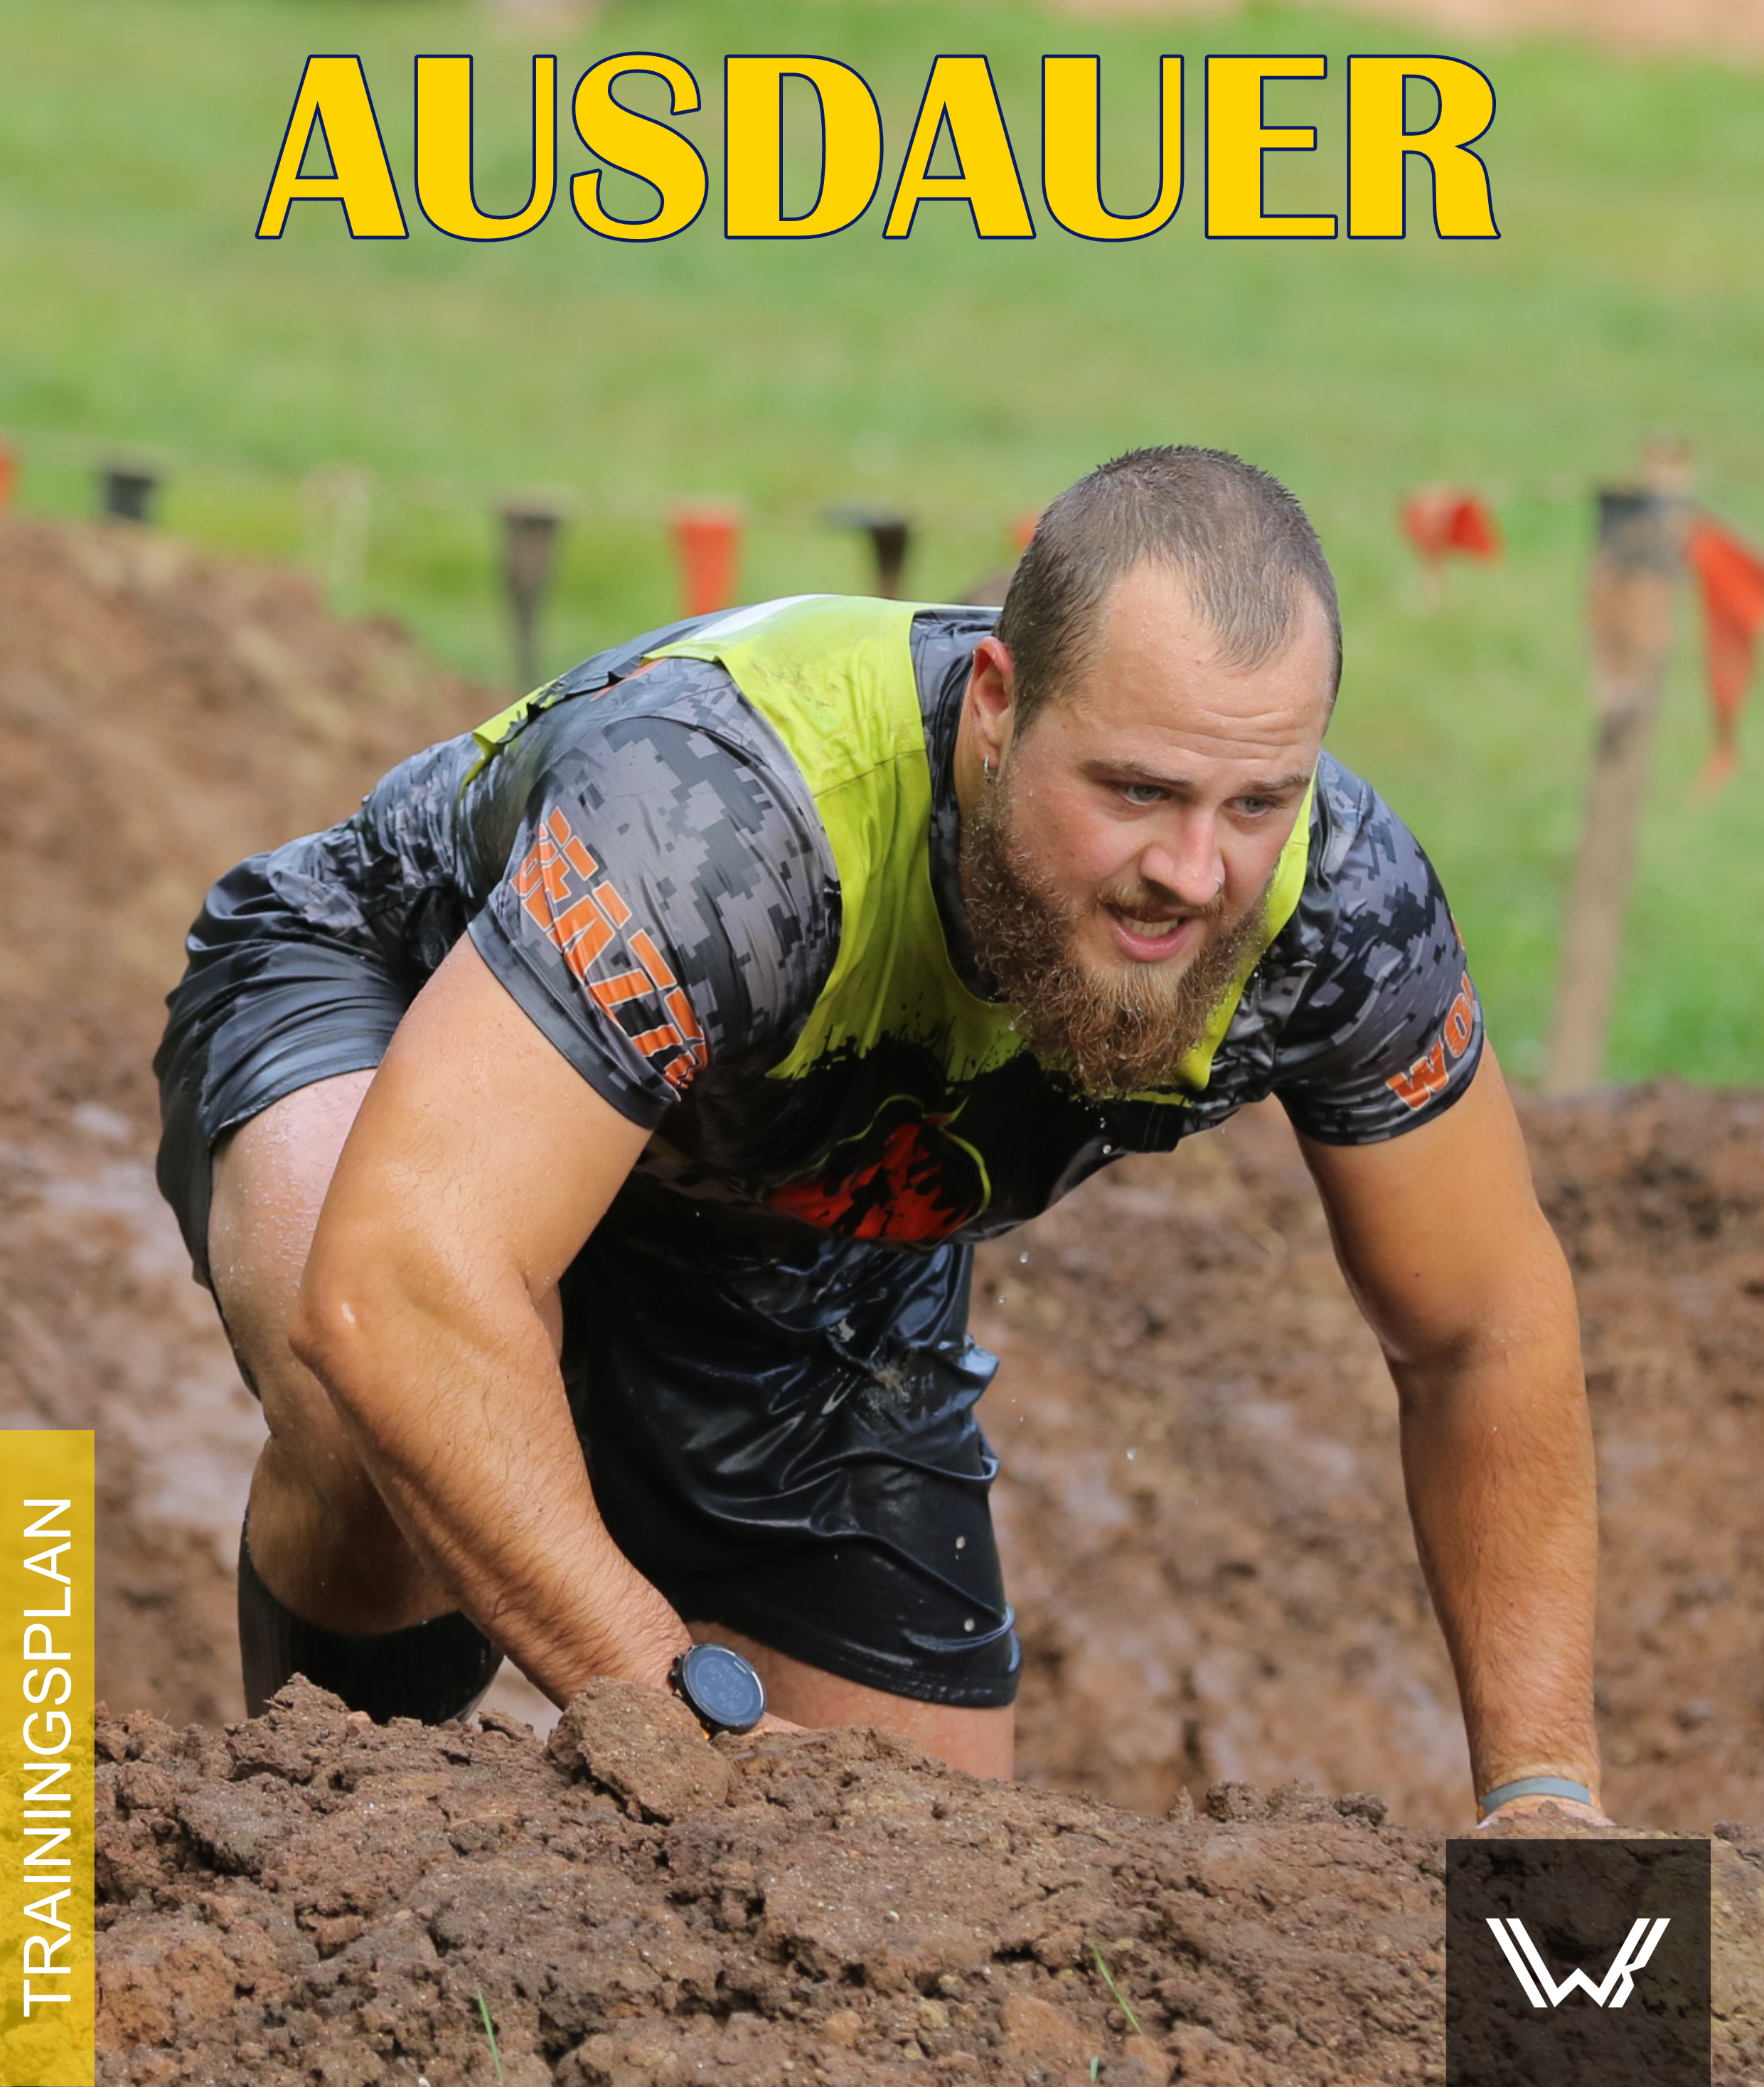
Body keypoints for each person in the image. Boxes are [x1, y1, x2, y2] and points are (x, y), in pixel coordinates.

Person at [156, 446, 1603, 1824]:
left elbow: (1482, 1325)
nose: (1191, 870)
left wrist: (1547, 1793)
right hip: (398, 992)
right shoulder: (730, 819)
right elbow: (406, 1278)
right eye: (1135, 790)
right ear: (995, 703)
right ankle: (326, 1875)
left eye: (1255, 803)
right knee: (380, 1410)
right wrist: (679, 1713)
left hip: (787, 1217)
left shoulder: (1335, 905)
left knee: (919, 1870)